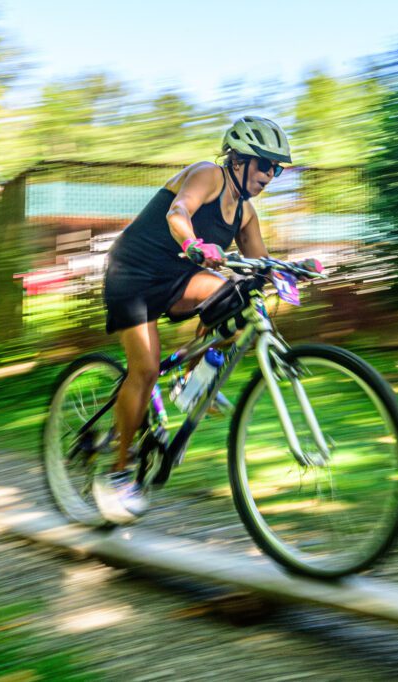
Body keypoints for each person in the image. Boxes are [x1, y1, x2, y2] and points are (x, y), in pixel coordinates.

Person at [95, 115, 291, 524]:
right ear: (239, 159)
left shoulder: (247, 213)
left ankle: (190, 375)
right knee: (145, 370)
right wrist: (194, 244)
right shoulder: (208, 174)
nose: (272, 174)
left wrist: (290, 270)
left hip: (175, 278)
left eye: (278, 168)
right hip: (132, 274)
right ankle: (118, 473)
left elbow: (260, 263)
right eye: (266, 164)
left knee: (238, 296)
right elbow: (178, 211)